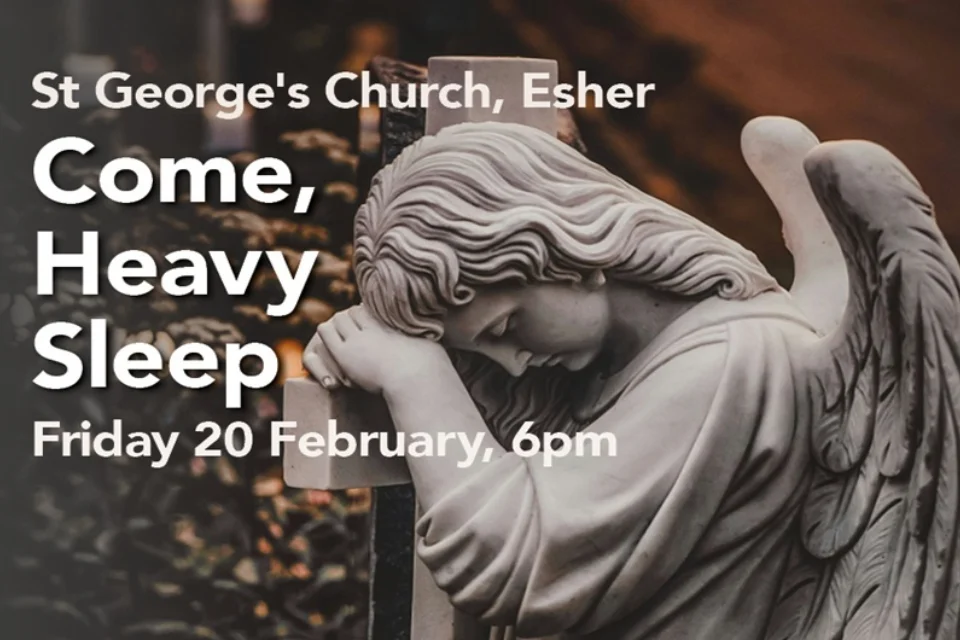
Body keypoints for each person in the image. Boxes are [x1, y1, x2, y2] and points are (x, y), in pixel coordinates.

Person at [303, 122, 821, 639]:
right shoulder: (611, 366)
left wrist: (413, 374)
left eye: (505, 327)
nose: (509, 365)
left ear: (565, 251)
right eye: (476, 350)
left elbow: (517, 568)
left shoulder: (731, 362)